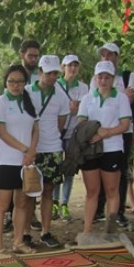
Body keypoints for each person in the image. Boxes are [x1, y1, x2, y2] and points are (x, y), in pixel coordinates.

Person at [77, 61, 131, 234]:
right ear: (95, 78)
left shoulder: (121, 97)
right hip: (91, 150)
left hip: (112, 148)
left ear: (112, 79)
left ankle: (110, 230)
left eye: (107, 77)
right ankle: (87, 230)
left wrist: (105, 133)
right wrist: (94, 131)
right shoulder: (88, 98)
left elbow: (124, 125)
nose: (103, 80)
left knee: (112, 190)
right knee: (92, 191)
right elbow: (81, 122)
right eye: (100, 76)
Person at [0, 65, 39, 255]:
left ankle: (18, 242)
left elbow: (36, 129)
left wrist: (32, 151)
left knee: (22, 202)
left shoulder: (30, 101)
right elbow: (2, 132)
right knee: (2, 205)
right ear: (6, 82)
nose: (15, 85)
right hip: (8, 161)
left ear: (25, 83)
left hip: (27, 162)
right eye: (11, 81)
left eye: (19, 81)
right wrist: (24, 149)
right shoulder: (0, 103)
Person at [90, 43, 134, 228]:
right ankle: (99, 209)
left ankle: (118, 212)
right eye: (104, 55)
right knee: (98, 168)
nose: (107, 57)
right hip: (98, 133)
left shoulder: (127, 76)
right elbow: (92, 100)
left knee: (120, 171)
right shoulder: (95, 79)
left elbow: (129, 99)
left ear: (117, 56)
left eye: (110, 54)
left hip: (122, 132)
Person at [24, 55, 70, 248]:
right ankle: (25, 232)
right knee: (29, 192)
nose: (52, 77)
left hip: (52, 148)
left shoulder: (61, 95)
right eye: (49, 73)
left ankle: (45, 231)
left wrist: (50, 138)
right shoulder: (26, 91)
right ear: (40, 72)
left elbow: (61, 123)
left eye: (55, 73)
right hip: (31, 149)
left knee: (48, 191)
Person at [52, 54, 89, 221]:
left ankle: (64, 203)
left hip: (74, 134)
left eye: (75, 65)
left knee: (70, 169)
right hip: (57, 132)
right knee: (55, 168)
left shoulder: (83, 87)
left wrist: (78, 108)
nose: (72, 69)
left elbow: (85, 107)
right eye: (69, 65)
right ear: (63, 67)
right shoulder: (56, 85)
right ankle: (54, 201)